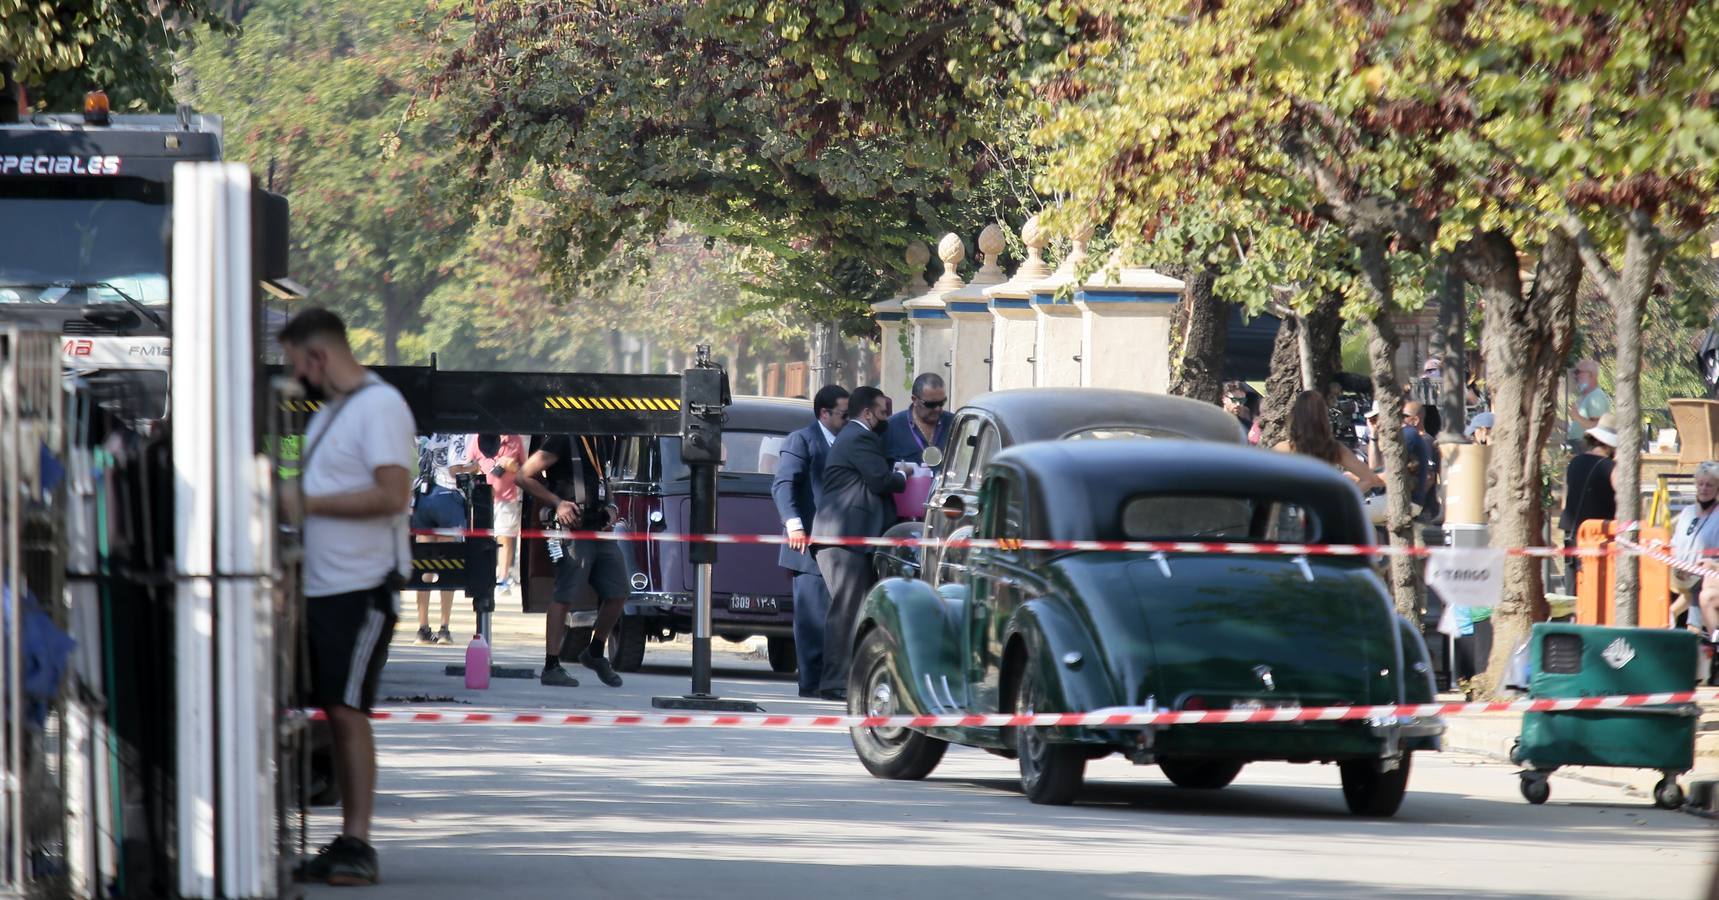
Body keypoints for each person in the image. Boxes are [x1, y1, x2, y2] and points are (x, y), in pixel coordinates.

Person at [280, 308, 415, 886]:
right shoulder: (333, 414)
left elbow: (392, 495)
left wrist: (305, 503)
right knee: (331, 709)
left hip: (360, 588)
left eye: (296, 365)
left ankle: (358, 841)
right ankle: (342, 835)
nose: (297, 379)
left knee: (346, 710)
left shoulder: (380, 407)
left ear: (318, 356)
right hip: (322, 585)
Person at [812, 386, 906, 701]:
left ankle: (845, 679)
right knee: (846, 610)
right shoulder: (860, 437)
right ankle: (834, 682)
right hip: (843, 536)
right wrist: (903, 475)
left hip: (847, 537)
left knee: (853, 608)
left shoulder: (854, 436)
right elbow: (880, 479)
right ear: (867, 413)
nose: (886, 419)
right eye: (882, 413)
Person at [516, 433, 628, 689]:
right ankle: (551, 665)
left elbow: (602, 479)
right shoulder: (563, 438)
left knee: (619, 592)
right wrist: (558, 503)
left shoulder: (602, 439)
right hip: (571, 532)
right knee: (564, 596)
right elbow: (523, 476)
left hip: (598, 529)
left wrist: (611, 506)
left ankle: (595, 652)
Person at [770, 384, 849, 698]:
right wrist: (794, 525)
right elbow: (783, 485)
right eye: (844, 414)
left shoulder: (849, 441)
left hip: (841, 545)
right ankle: (812, 682)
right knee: (813, 618)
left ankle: (833, 681)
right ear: (824, 413)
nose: (848, 419)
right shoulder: (802, 440)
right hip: (808, 547)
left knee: (837, 617)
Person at [411, 433, 476, 645]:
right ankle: (444, 629)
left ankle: (422, 628)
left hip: (422, 499)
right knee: (447, 565)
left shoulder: (427, 436)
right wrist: (473, 467)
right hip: (447, 499)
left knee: (425, 566)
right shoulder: (457, 434)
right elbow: (455, 470)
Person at [1274, 390, 1384, 494]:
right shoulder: (1333, 448)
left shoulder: (1283, 449)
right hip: (1322, 509)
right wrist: (1341, 499)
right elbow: (1369, 479)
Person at [1560, 414, 1618, 594]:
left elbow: (1564, 500)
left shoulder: (1574, 462)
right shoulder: (1611, 468)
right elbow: (1624, 502)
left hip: (1571, 534)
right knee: (1595, 591)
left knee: (1573, 590)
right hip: (1597, 536)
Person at [469, 433, 526, 593]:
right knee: (480, 539)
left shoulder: (516, 439)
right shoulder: (478, 437)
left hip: (507, 498)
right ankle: (481, 576)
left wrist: (513, 466)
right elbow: (468, 463)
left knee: (504, 539)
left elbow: (526, 469)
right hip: (481, 498)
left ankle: (502, 578)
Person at [1670, 462, 1719, 634]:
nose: (1704, 488)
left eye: (1710, 485)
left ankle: (1697, 635)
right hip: (1682, 577)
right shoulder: (1687, 512)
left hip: (1708, 578)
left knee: (1698, 592)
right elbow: (1674, 544)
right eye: (1701, 484)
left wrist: (1711, 565)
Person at [1366, 400, 1433, 514]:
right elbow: (1375, 467)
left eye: (1378, 417)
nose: (1376, 422)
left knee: (1350, 512)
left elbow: (1390, 474)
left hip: (1406, 501)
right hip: (1392, 498)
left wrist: (1360, 478)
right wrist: (1373, 435)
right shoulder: (1398, 436)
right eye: (1374, 419)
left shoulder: (1407, 435)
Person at [884, 372, 955, 466]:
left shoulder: (955, 424)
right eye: (931, 404)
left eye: (942, 403)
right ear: (914, 400)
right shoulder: (890, 427)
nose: (938, 408)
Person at [1567, 359, 1612, 447]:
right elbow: (1578, 426)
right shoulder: (1584, 396)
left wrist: (1577, 417)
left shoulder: (1596, 396)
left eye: (1578, 372)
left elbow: (1598, 427)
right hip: (1577, 446)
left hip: (1587, 448)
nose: (1575, 376)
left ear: (1591, 375)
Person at [1222, 380, 1262, 445]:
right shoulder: (1214, 422)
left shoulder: (1248, 427)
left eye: (1242, 400)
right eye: (1234, 400)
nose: (1238, 404)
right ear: (1224, 399)